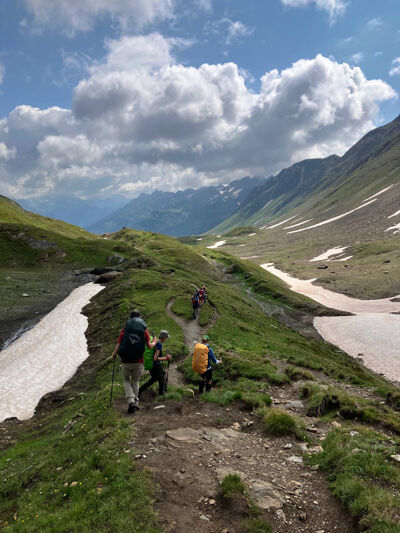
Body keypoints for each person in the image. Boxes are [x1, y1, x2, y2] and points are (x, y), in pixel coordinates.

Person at [112, 309, 156, 413]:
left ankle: (131, 402)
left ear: (130, 318)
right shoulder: (144, 330)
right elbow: (149, 346)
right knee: (135, 381)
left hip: (125, 360)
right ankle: (135, 403)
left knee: (126, 380)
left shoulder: (125, 329)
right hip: (138, 361)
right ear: (139, 318)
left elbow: (119, 344)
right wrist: (154, 341)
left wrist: (114, 354)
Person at [139, 330, 172, 397]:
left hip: (151, 364)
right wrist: (166, 358)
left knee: (154, 379)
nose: (166, 339)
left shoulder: (155, 342)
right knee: (161, 379)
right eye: (166, 337)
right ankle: (161, 395)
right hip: (155, 365)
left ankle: (139, 390)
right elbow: (155, 358)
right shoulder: (159, 344)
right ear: (163, 337)